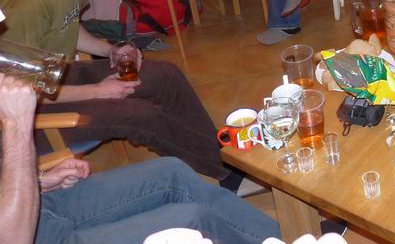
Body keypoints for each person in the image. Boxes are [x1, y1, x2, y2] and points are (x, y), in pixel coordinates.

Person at [0, 0, 235, 186]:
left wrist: (109, 49)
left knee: (165, 75)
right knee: (140, 114)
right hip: (26, 114)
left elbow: (68, 26)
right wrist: (97, 91)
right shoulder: (29, 1)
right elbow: (23, 90)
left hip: (56, 75)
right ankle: (229, 174)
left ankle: (225, 155)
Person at [0, 73, 281, 244]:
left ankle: (280, 238)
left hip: (39, 205)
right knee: (192, 219)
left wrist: (41, 180)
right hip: (30, 233)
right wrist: (17, 125)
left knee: (172, 172)